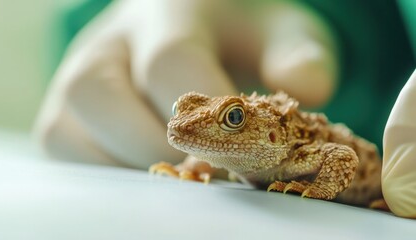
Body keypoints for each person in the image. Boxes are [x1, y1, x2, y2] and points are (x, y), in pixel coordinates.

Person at [35, 0, 416, 218]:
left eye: (233, 119)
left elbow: (343, 157)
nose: (181, 125)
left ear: (272, 133)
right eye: (178, 107)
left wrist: (318, 190)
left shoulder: (301, 154)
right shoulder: (243, 153)